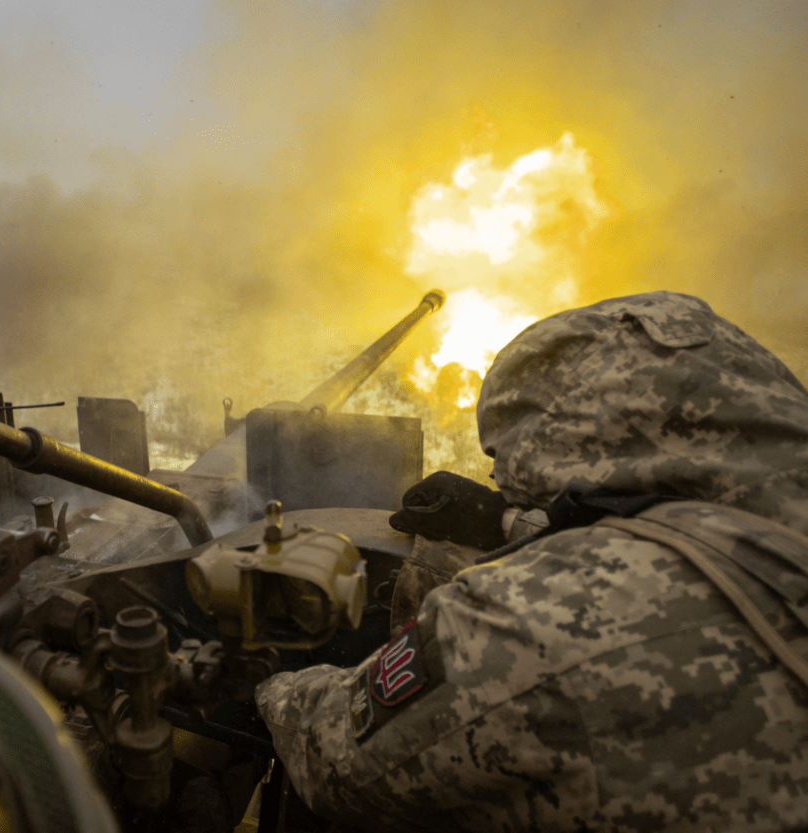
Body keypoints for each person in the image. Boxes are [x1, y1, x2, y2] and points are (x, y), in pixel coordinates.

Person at [255, 291, 808, 830]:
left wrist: (267, 680)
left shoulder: (536, 616)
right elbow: (686, 524)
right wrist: (503, 521)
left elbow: (335, 760)